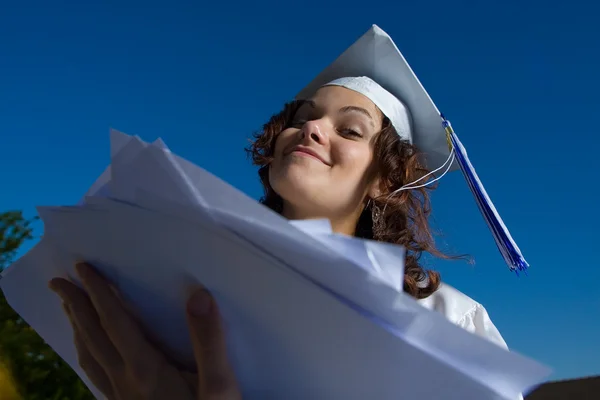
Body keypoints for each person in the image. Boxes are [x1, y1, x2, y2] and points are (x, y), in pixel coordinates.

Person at [48, 25, 520, 399]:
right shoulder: (188, 283)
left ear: (386, 182)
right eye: (302, 118)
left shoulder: (446, 323)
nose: (312, 128)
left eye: (351, 131)